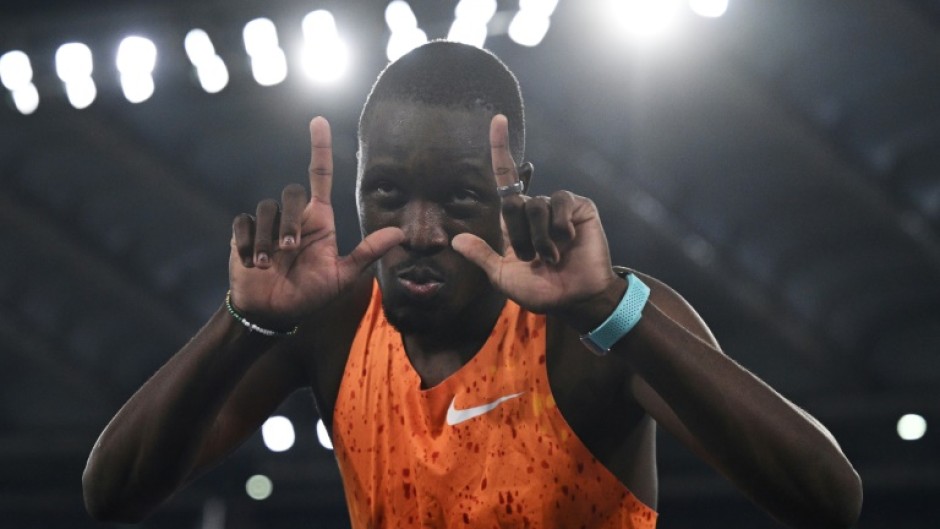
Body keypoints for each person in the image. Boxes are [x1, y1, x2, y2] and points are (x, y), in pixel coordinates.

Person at [82, 41, 862, 528]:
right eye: (387, 192)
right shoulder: (334, 321)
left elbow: (829, 500)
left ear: (512, 187)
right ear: (354, 185)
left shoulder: (595, 329)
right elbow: (111, 494)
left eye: (457, 197)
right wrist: (242, 324)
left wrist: (612, 310)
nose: (419, 230)